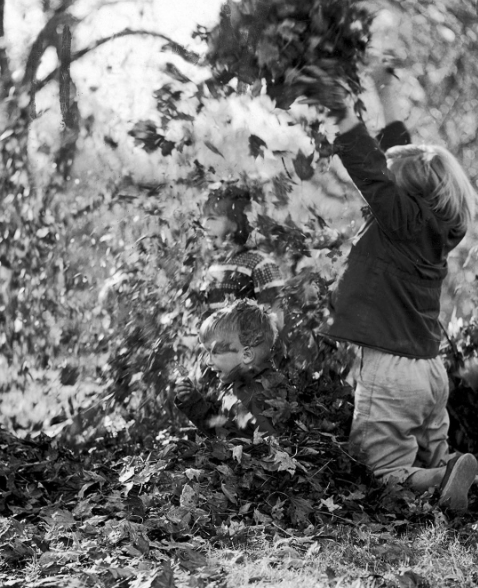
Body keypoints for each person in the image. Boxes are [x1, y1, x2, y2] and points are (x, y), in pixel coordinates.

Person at [320, 56, 478, 511]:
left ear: (404, 196)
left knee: (381, 470)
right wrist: (384, 91)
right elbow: (402, 159)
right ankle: (451, 472)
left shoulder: (401, 221)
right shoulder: (439, 226)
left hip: (393, 373)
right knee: (434, 449)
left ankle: (442, 476)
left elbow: (370, 167)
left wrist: (338, 109)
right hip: (430, 372)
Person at [174, 299, 297, 439]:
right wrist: (192, 401)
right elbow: (219, 428)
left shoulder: (261, 397)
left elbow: (274, 447)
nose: (208, 362)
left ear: (246, 355)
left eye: (214, 353)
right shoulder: (236, 387)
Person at [201, 184, 285, 321]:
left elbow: (275, 319)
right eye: (203, 218)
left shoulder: (259, 264)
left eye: (212, 218)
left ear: (235, 224)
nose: (204, 226)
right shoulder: (212, 268)